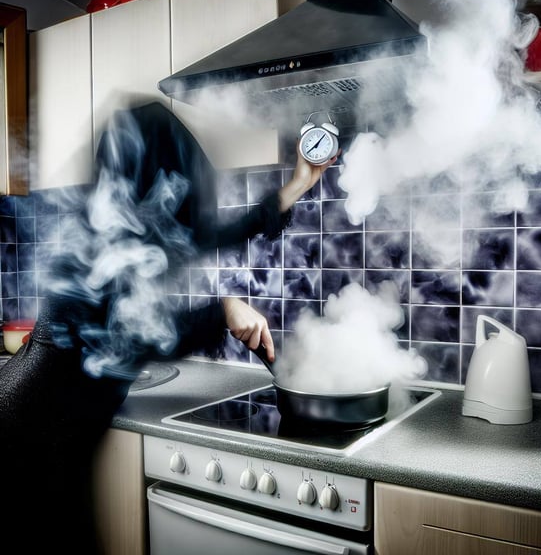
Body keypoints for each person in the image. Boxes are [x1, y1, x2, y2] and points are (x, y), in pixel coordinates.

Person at [0, 101, 337, 553]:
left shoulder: (131, 228)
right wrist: (223, 311)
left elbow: (215, 233)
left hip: (54, 431)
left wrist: (299, 183)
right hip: (26, 439)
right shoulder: (95, 248)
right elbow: (132, 340)